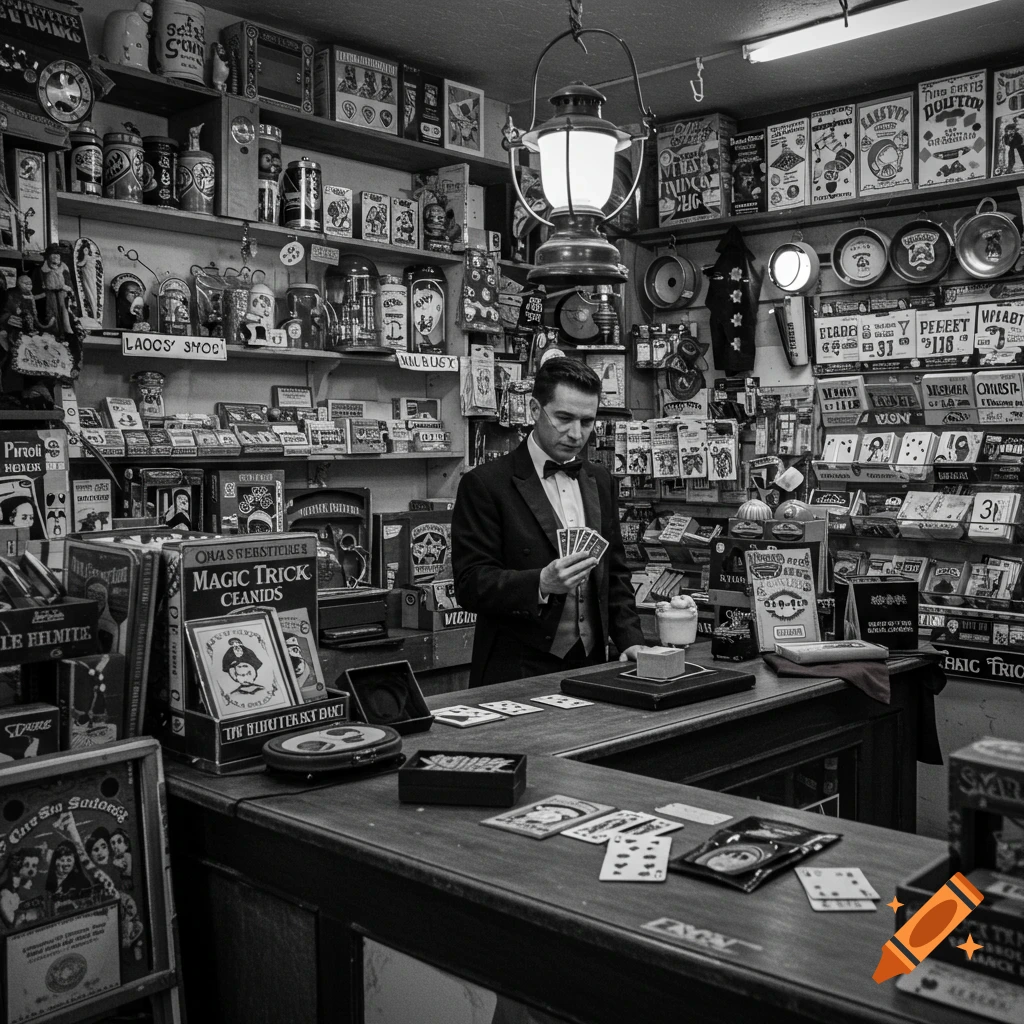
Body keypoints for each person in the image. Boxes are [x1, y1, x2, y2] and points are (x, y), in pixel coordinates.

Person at [452, 358, 647, 686]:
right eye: (564, 418)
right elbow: (470, 584)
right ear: (533, 409)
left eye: (587, 422)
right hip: (515, 669)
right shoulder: (485, 484)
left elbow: (614, 574)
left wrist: (631, 640)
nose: (575, 434)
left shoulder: (600, 480)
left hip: (591, 664)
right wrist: (540, 583)